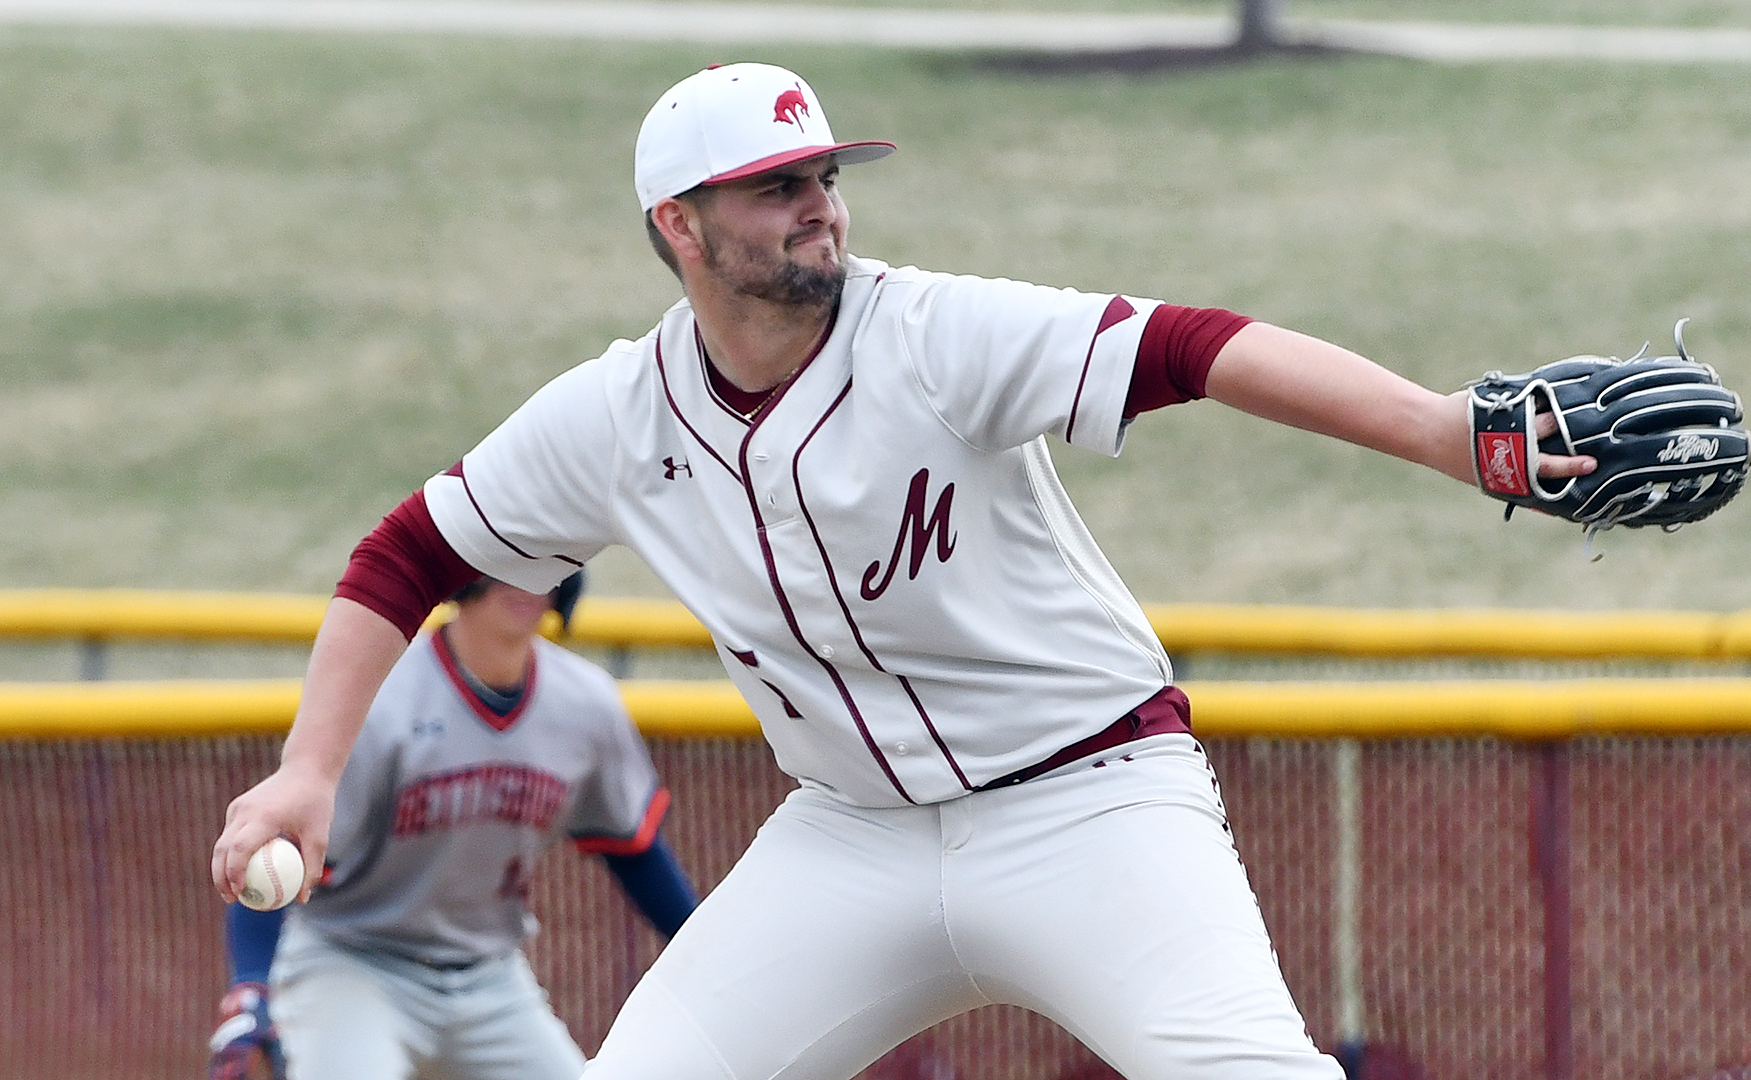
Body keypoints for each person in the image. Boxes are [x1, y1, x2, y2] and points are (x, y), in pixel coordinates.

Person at [212, 62, 1597, 1080]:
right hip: (852, 837)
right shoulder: (618, 415)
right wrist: (310, 771)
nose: (819, 206)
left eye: (824, 176)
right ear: (678, 227)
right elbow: (407, 556)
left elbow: (1193, 346)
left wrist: (1442, 433)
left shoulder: (934, 332)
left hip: (1090, 799)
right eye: (775, 187)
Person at [207, 571, 699, 1080]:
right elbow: (283, 856)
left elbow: (634, 851)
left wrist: (707, 947)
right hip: (353, 964)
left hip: (491, 976)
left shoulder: (585, 705)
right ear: (464, 571)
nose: (529, 579)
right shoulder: (382, 701)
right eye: (508, 563)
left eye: (549, 560)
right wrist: (251, 982)